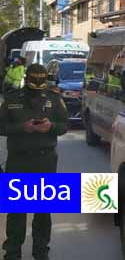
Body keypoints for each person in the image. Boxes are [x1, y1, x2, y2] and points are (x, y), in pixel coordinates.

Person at [0, 64, 69, 260]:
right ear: (27, 79)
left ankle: (40, 251)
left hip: (44, 161)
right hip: (18, 162)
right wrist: (22, 127)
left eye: (41, 82)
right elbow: (1, 126)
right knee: (16, 212)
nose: (37, 88)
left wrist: (51, 126)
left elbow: (65, 125)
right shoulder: (12, 100)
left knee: (43, 212)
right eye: (34, 82)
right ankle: (12, 253)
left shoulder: (54, 99)